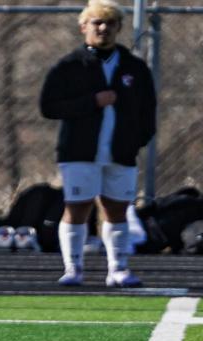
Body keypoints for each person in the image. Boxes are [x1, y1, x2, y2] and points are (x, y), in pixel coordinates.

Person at [39, 1, 157, 287]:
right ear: (84, 27)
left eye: (110, 23)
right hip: (79, 152)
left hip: (120, 153)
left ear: (118, 28)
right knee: (77, 207)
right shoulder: (69, 66)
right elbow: (49, 106)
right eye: (96, 23)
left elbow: (148, 113)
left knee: (116, 209)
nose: (103, 28)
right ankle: (73, 268)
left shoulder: (134, 67)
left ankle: (118, 268)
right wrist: (91, 102)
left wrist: (133, 142)